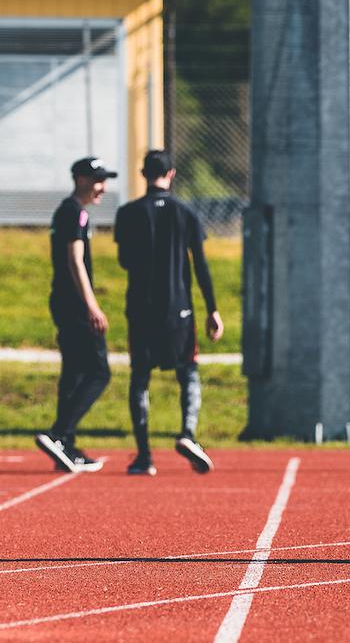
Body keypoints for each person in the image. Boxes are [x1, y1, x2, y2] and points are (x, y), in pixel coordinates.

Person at [114, 150, 223, 476]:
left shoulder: (128, 213)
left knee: (140, 378)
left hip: (141, 309)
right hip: (180, 310)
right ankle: (187, 433)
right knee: (188, 371)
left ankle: (145, 455)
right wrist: (212, 308)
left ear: (142, 172)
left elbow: (124, 261)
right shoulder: (186, 213)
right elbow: (200, 265)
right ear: (171, 174)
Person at [35, 157, 118, 473]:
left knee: (73, 373)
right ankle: (58, 434)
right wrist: (92, 306)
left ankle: (65, 444)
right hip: (74, 304)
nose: (103, 188)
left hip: (63, 301)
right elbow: (75, 261)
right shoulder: (75, 212)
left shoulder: (67, 211)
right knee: (99, 372)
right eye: (98, 181)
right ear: (81, 179)